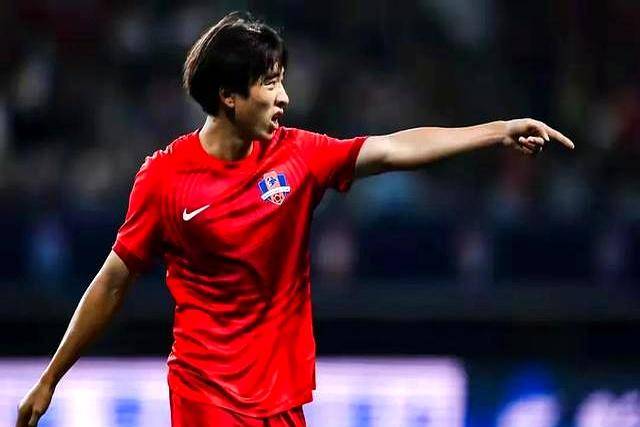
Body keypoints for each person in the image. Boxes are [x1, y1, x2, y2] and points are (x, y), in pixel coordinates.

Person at [15, 11, 574, 427]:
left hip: (282, 401)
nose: (284, 97)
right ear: (229, 97)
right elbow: (113, 280)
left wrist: (497, 131)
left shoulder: (299, 156)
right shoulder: (164, 178)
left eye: (282, 79)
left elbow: (394, 147)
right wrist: (50, 377)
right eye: (270, 83)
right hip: (205, 395)